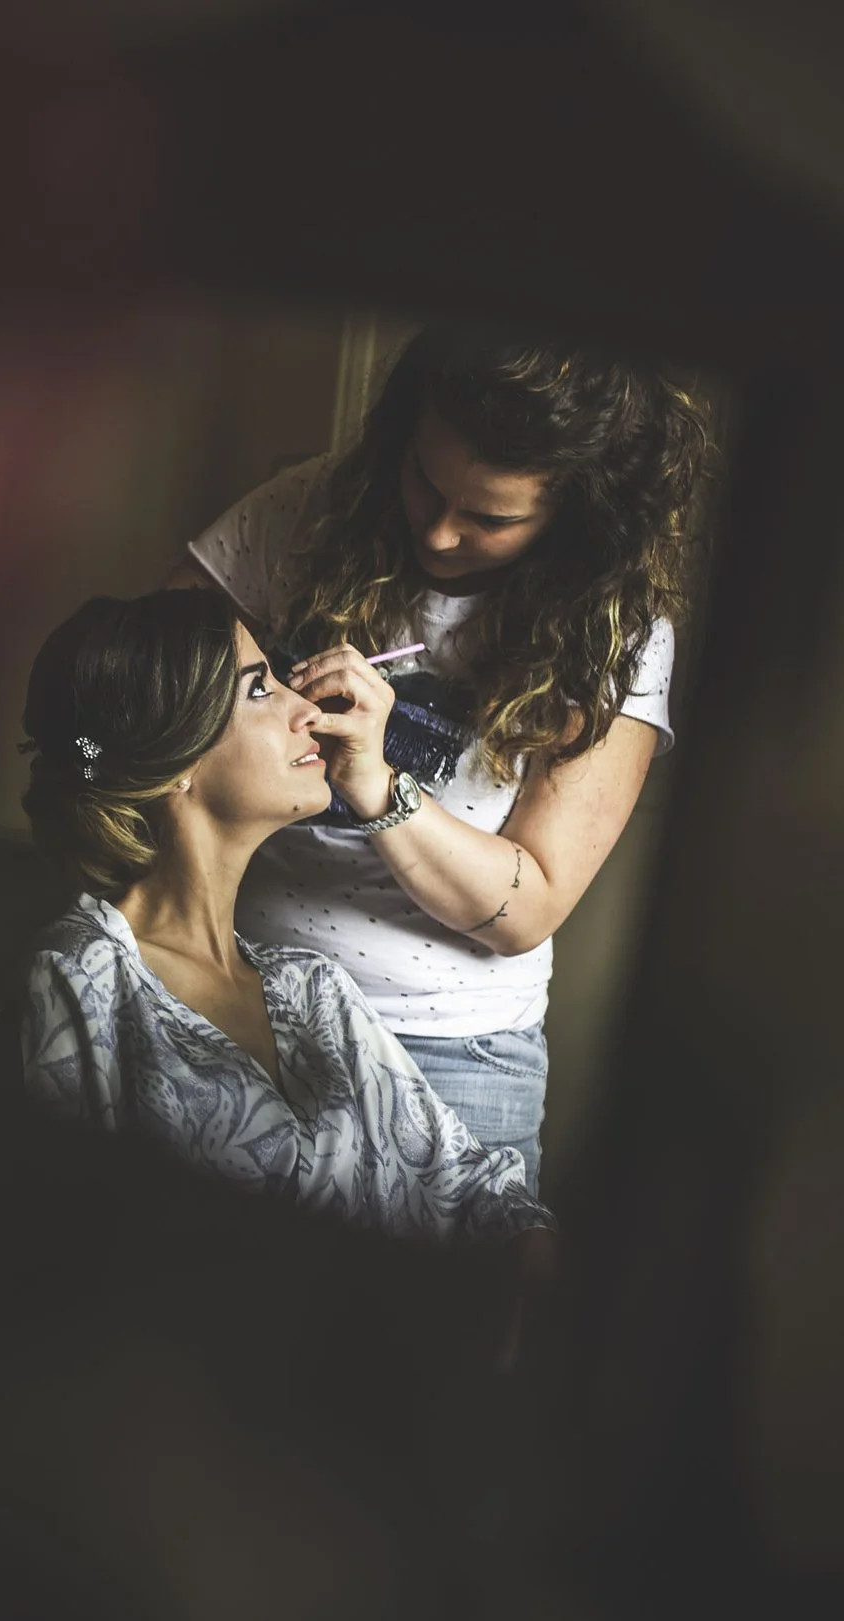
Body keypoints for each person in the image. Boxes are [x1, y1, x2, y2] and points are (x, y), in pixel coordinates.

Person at [172, 320, 714, 1191]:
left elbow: (525, 906)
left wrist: (382, 787)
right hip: (237, 991)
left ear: (575, 514)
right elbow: (137, 695)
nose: (440, 534)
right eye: (426, 481)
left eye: (491, 517)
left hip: (447, 1052)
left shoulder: (617, 636)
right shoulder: (312, 508)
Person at [9, 587, 554, 1249]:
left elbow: (479, 1191)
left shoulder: (312, 990)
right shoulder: (81, 977)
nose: (309, 708)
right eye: (261, 688)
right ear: (179, 758)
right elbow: (51, 1243)